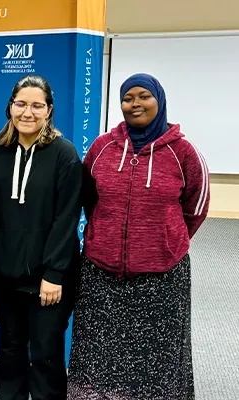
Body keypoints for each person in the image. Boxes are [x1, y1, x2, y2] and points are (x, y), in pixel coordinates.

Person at [67, 73, 210, 399]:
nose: (135, 104)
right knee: (98, 350)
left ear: (158, 100)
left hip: (160, 279)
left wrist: (164, 242)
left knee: (155, 356)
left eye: (143, 96)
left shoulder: (184, 153)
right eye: (127, 98)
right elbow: (89, 199)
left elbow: (196, 207)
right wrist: (107, 235)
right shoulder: (102, 147)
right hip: (100, 273)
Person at [0, 75, 82, 400]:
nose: (28, 112)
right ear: (10, 107)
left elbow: (67, 219)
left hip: (49, 280)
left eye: (37, 106)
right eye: (21, 104)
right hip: (4, 276)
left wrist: (54, 273)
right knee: (9, 350)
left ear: (49, 110)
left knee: (46, 354)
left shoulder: (65, 155)